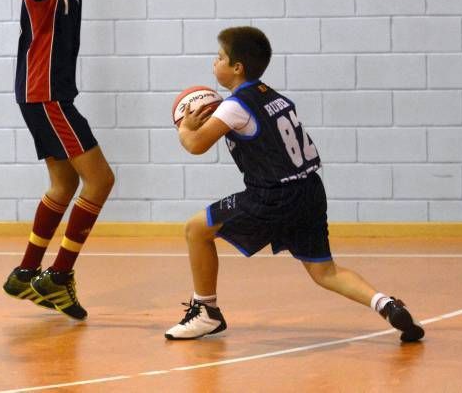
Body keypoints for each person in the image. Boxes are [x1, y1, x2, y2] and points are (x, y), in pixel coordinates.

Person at [164, 26, 425, 343]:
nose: (213, 63)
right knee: (324, 271)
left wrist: (185, 127)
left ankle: (206, 311)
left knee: (195, 230)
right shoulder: (274, 97)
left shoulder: (235, 106)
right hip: (309, 190)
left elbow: (195, 145)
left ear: (237, 67)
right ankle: (386, 304)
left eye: (219, 57)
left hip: (272, 196)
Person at [2, 0, 147, 320]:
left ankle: (27, 272)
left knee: (64, 185)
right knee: (100, 181)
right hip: (46, 95)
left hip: (44, 95)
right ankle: (58, 276)